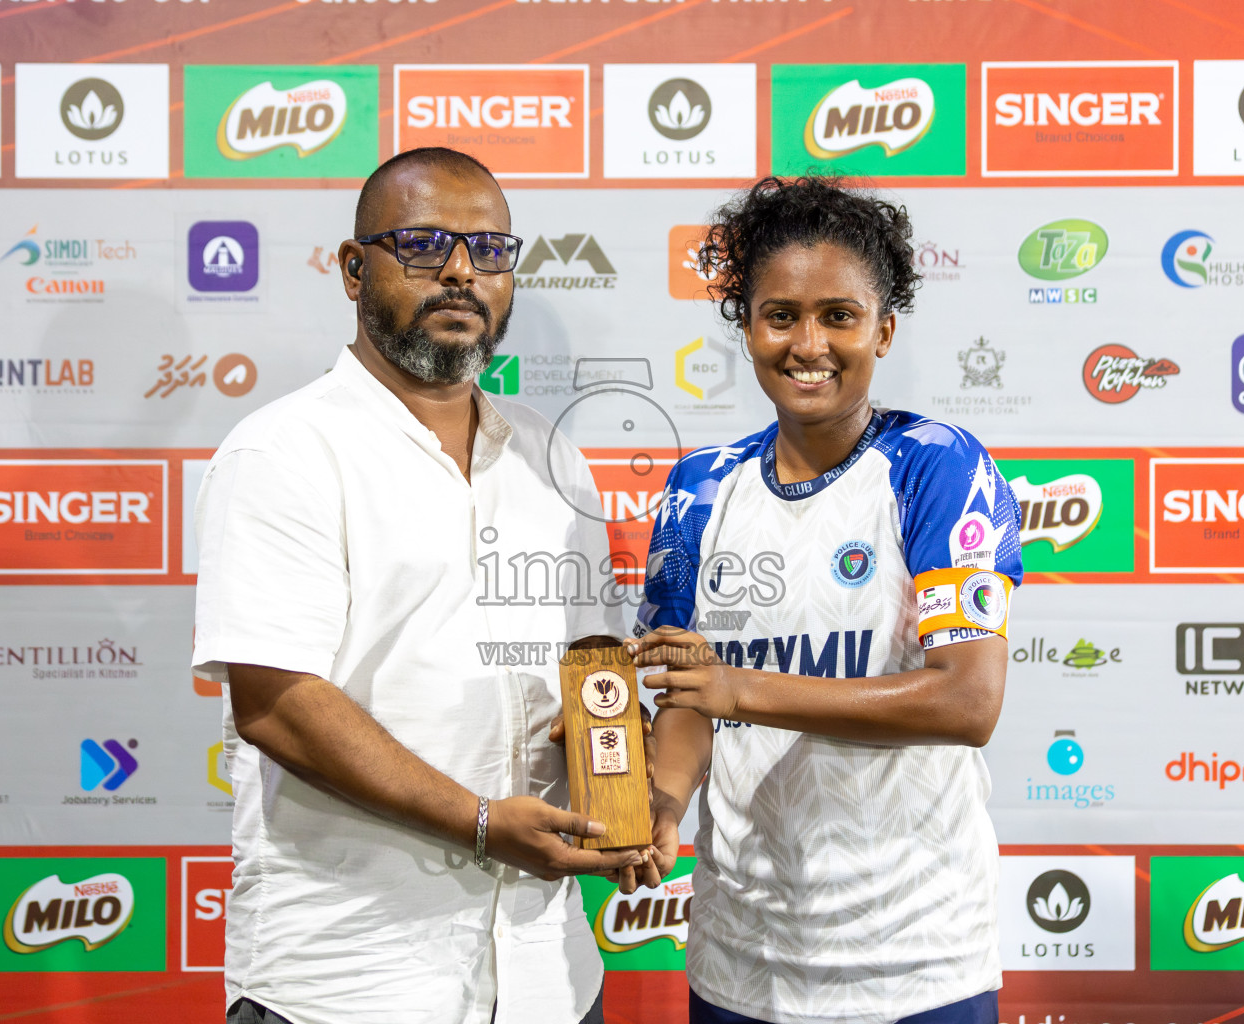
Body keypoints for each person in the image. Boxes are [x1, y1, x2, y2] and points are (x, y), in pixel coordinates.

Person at [191, 147, 662, 1024]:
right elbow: (277, 702)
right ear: (351, 268)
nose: (459, 272)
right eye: (420, 244)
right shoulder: (283, 453)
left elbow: (588, 678)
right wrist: (484, 822)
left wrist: (622, 776)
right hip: (350, 981)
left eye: (489, 251)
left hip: (545, 979)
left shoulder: (553, 456)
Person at [632, 176, 1023, 1024]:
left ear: (883, 329)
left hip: (916, 962)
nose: (809, 343)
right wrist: (659, 802)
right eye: (781, 315)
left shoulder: (937, 466)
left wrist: (744, 689)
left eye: (839, 315)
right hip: (741, 959)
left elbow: (968, 698)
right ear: (747, 328)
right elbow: (689, 699)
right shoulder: (700, 486)